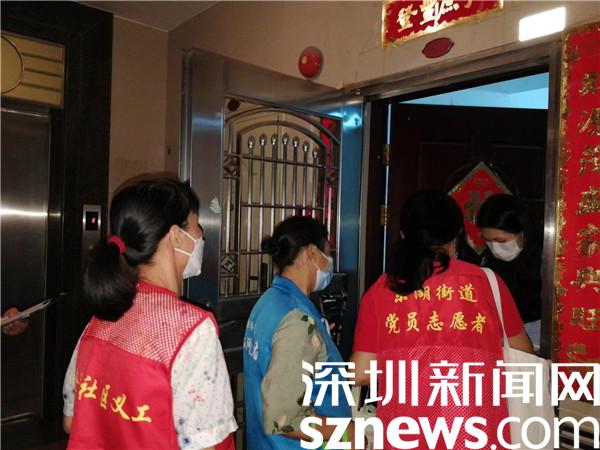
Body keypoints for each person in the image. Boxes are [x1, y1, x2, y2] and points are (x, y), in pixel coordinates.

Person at [62, 178, 237, 450]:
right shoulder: (191, 329)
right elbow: (207, 444)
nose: (201, 235)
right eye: (197, 225)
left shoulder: (101, 319)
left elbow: (71, 421)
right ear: (176, 235)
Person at [351, 190, 532, 450]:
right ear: (456, 237)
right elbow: (523, 353)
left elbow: (361, 372)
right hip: (479, 435)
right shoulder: (488, 283)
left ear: (404, 236)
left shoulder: (381, 290)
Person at [243, 216, 352, 450]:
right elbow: (286, 420)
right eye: (327, 253)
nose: (329, 262)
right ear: (311, 253)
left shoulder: (269, 302)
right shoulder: (296, 318)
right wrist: (349, 432)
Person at [476, 194, 542, 345]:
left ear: (523, 233)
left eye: (500, 240)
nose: (495, 248)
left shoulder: (547, 262)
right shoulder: (486, 262)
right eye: (488, 241)